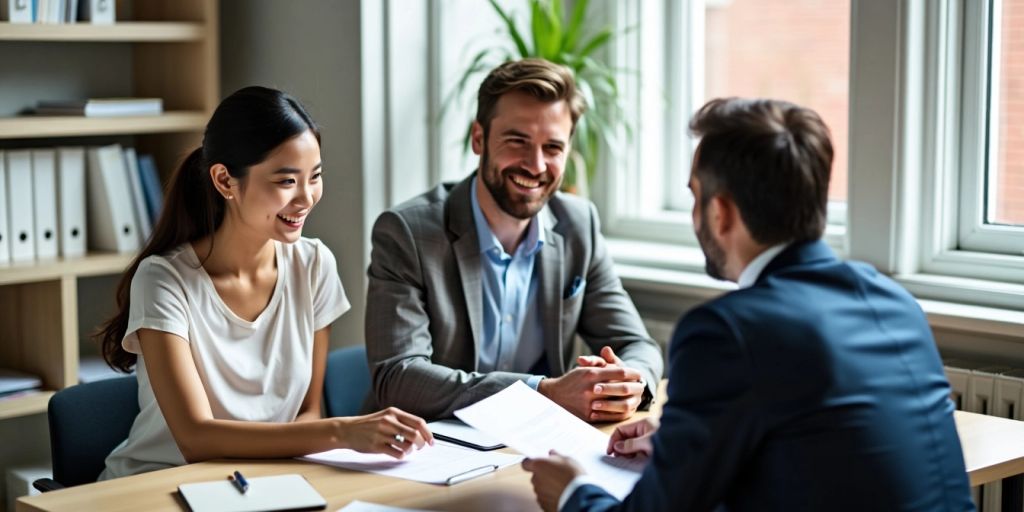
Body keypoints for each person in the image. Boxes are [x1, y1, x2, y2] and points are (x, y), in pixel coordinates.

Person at [523, 98, 975, 511]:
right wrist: (679, 446)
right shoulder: (896, 303)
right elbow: (823, 446)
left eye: (695, 197)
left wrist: (572, 494)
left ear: (721, 213)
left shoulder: (727, 331)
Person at [96, 86, 432, 480]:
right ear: (225, 181)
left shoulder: (314, 265)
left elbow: (307, 414)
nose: (306, 198)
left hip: (263, 481)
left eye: (316, 177)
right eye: (287, 181)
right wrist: (344, 431)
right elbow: (195, 438)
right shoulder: (163, 280)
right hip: (160, 483)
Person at [365, 59, 664, 422]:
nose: (535, 165)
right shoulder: (408, 233)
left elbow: (637, 346)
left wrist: (631, 385)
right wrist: (542, 393)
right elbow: (398, 377)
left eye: (552, 147)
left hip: (537, 445)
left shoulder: (578, 225)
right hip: (431, 447)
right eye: (517, 141)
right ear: (479, 139)